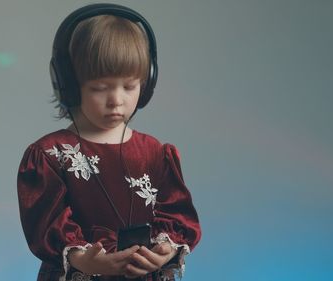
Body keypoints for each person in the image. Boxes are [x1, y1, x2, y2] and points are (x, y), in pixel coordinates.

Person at [17, 4, 201, 281]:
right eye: (99, 88)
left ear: (147, 83)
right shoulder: (50, 156)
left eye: (129, 86)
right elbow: (46, 224)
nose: (117, 100)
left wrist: (164, 250)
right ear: (69, 84)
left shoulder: (154, 153)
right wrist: (85, 260)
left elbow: (175, 215)